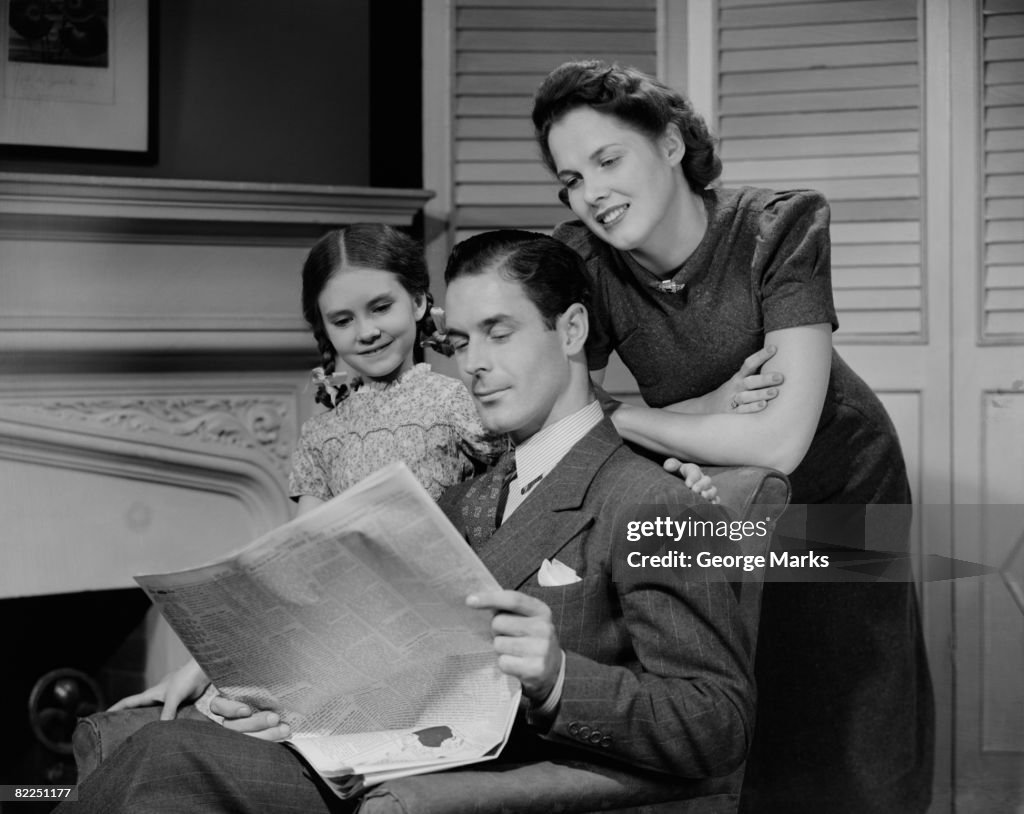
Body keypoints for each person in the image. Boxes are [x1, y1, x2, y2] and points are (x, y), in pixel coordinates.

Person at [59, 230, 755, 814]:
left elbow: (717, 721)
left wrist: (560, 677)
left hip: (477, 792)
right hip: (377, 753)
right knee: (151, 744)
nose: (475, 364)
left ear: (571, 329)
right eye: (460, 340)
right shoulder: (471, 495)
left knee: (163, 761)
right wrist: (245, 677)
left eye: (499, 332)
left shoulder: (653, 500)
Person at [531, 59, 934, 812]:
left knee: (848, 702)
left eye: (607, 160)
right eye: (571, 180)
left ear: (672, 143)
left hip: (839, 474)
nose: (592, 194)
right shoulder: (583, 262)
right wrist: (704, 408)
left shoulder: (776, 226)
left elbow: (780, 441)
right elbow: (562, 416)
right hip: (714, 494)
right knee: (738, 699)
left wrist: (645, 418)